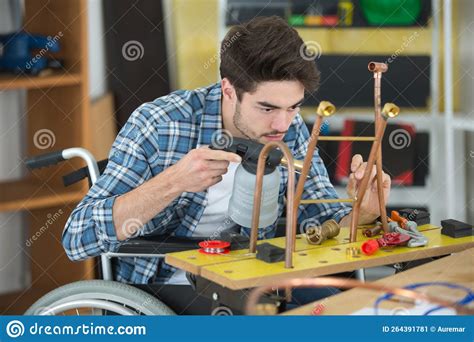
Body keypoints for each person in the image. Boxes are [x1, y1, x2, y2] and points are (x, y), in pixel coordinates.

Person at [62, 16, 391, 306]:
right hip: (168, 287)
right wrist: (174, 182)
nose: (282, 124)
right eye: (267, 108)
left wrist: (362, 212)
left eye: (293, 107)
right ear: (229, 89)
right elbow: (77, 238)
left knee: (343, 313)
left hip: (256, 276)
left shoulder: (289, 129)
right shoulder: (160, 123)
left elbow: (321, 220)